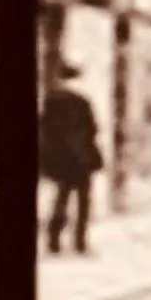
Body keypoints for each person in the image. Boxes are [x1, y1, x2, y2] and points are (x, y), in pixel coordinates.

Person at [39, 63, 103, 256]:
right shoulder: (82, 102)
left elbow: (44, 129)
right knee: (83, 202)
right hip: (81, 160)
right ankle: (80, 242)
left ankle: (54, 241)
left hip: (61, 160)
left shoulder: (51, 101)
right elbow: (93, 129)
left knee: (61, 199)